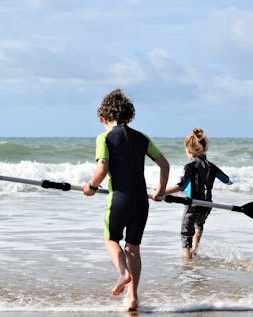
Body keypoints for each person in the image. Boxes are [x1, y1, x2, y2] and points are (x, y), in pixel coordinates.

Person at [82, 88, 170, 311]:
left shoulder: (104, 137)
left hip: (119, 199)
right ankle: (132, 297)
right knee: (133, 248)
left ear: (103, 117)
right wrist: (160, 189)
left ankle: (122, 273)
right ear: (128, 116)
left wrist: (91, 187)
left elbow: (102, 167)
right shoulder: (142, 137)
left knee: (111, 239)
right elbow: (164, 164)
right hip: (141, 201)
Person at [163, 128, 233, 260]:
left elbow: (181, 186)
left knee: (186, 232)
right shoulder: (211, 166)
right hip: (207, 205)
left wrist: (161, 191)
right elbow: (226, 179)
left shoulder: (190, 167)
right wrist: (230, 182)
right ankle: (195, 250)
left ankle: (188, 258)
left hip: (192, 204)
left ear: (189, 151)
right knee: (198, 227)